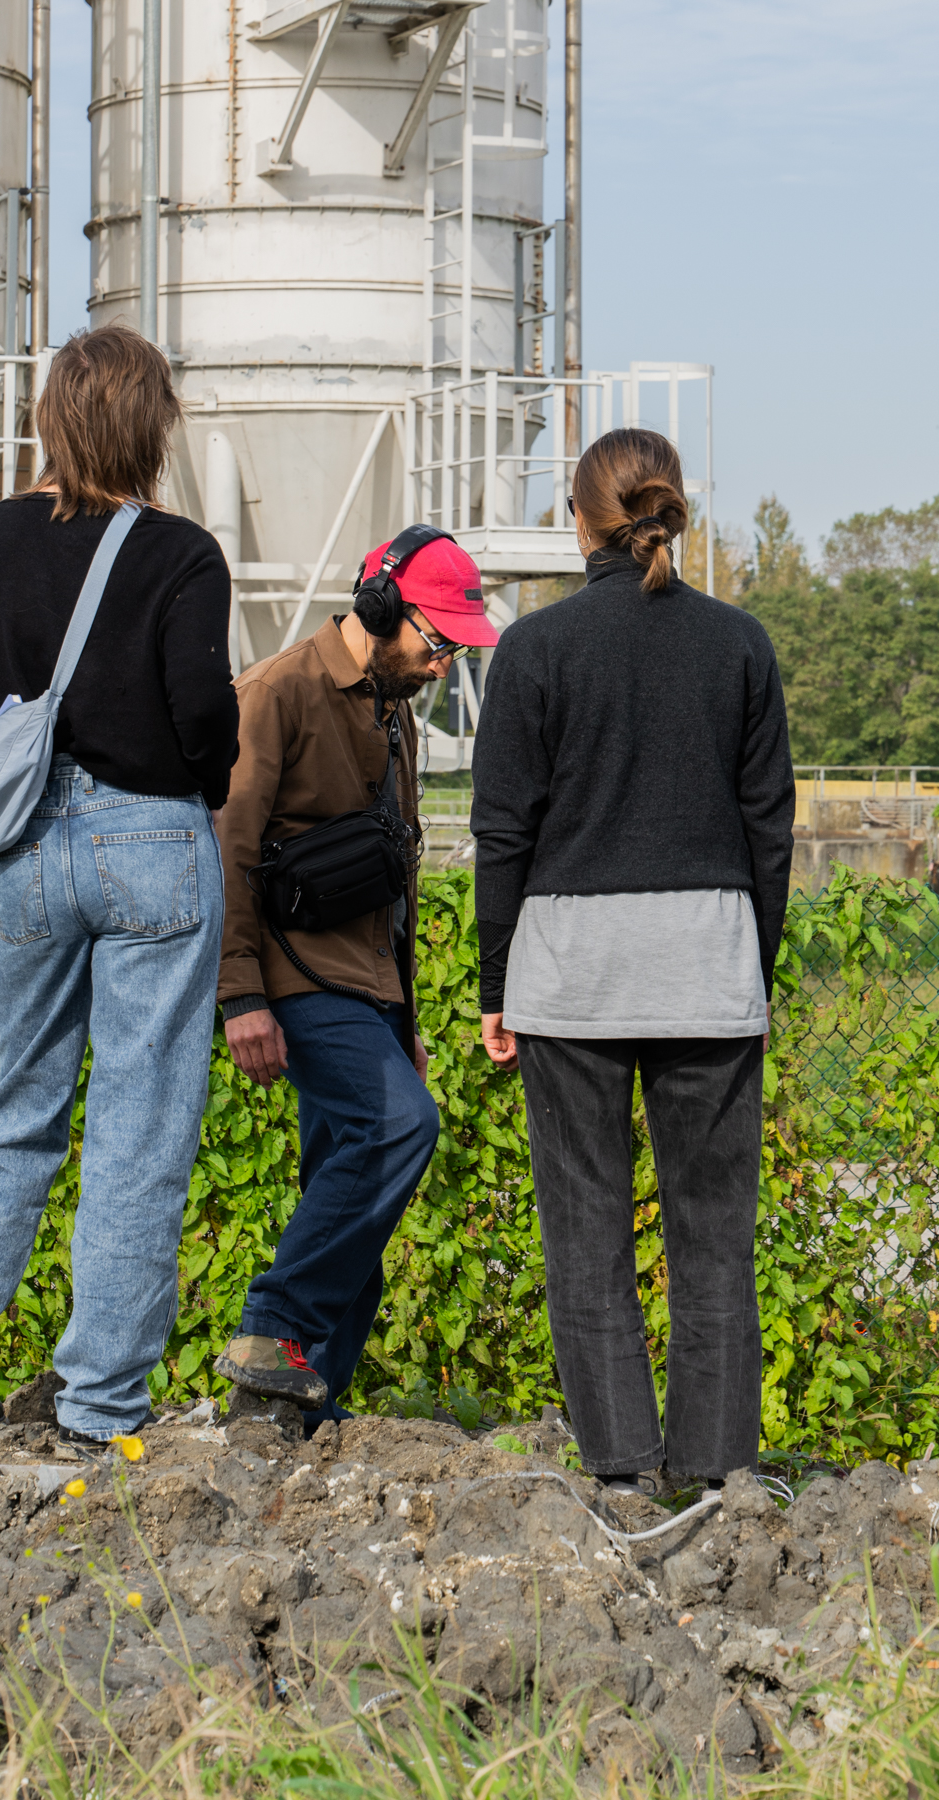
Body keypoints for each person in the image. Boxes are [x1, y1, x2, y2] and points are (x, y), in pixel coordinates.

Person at [0, 324, 240, 1457]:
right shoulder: (182, 554)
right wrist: (201, 778)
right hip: (153, 846)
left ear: (49, 420)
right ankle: (97, 1406)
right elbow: (202, 713)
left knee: (19, 1108)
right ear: (155, 428)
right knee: (138, 1129)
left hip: (27, 855)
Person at [471, 428, 795, 1494]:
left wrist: (494, 984)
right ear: (672, 513)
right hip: (709, 967)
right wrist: (754, 964)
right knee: (714, 1240)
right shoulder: (740, 645)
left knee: (587, 1232)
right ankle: (712, 1477)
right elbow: (769, 830)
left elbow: (503, 833)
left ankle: (618, 1473)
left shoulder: (535, 649)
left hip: (570, 976)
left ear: (580, 522)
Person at [213, 528, 499, 1432]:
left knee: (351, 1201)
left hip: (368, 991)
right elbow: (225, 849)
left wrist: (404, 1016)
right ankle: (273, 1330)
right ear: (379, 609)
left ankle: (293, 1407)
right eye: (436, 639)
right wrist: (240, 995)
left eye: (456, 646)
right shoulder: (277, 693)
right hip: (297, 983)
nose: (443, 662)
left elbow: (397, 876)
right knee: (398, 1128)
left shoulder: (393, 705)